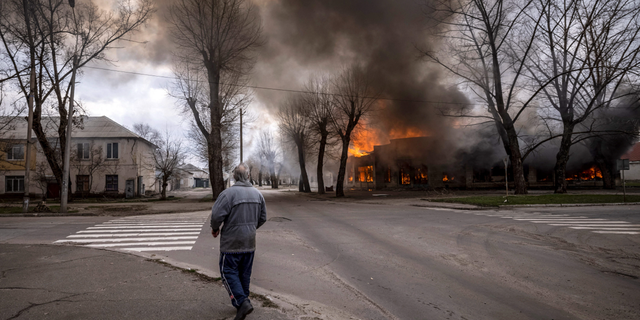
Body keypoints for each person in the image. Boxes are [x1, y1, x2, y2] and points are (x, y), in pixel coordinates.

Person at [210, 163, 267, 320]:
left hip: (231, 243)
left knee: (227, 271)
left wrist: (215, 228)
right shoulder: (258, 194)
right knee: (244, 273)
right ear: (248, 176)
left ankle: (242, 302)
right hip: (249, 242)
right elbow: (263, 218)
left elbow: (216, 215)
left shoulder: (228, 194)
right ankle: (243, 304)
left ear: (234, 177)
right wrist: (250, 228)